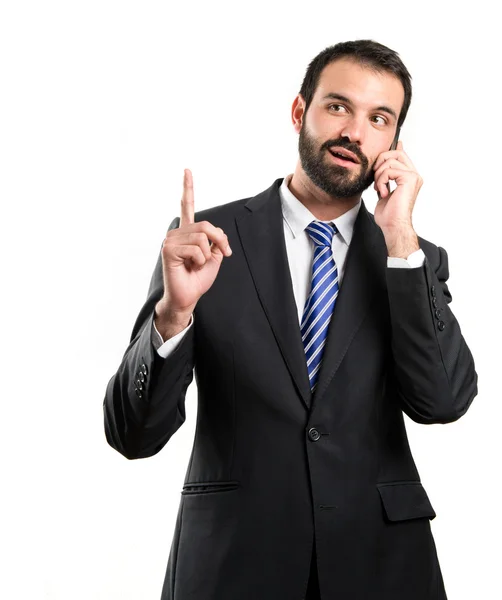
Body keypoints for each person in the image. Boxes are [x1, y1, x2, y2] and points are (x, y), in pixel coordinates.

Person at [103, 39, 478, 600]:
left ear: (393, 145)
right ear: (300, 112)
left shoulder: (412, 259)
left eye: (379, 119)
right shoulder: (204, 243)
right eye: (338, 106)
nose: (355, 131)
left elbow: (442, 401)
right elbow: (134, 434)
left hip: (381, 565)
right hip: (233, 563)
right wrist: (174, 313)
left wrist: (400, 239)